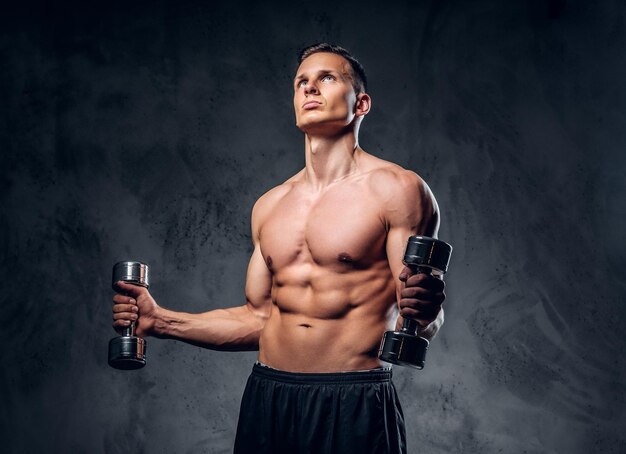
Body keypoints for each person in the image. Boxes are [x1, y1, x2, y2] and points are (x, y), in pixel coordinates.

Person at [112, 43, 446, 454]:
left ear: (361, 103)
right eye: (301, 82)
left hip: (352, 399)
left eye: (327, 78)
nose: (310, 88)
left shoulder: (397, 189)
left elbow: (417, 319)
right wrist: (161, 321)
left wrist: (428, 312)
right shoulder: (270, 206)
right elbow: (260, 318)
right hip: (268, 396)